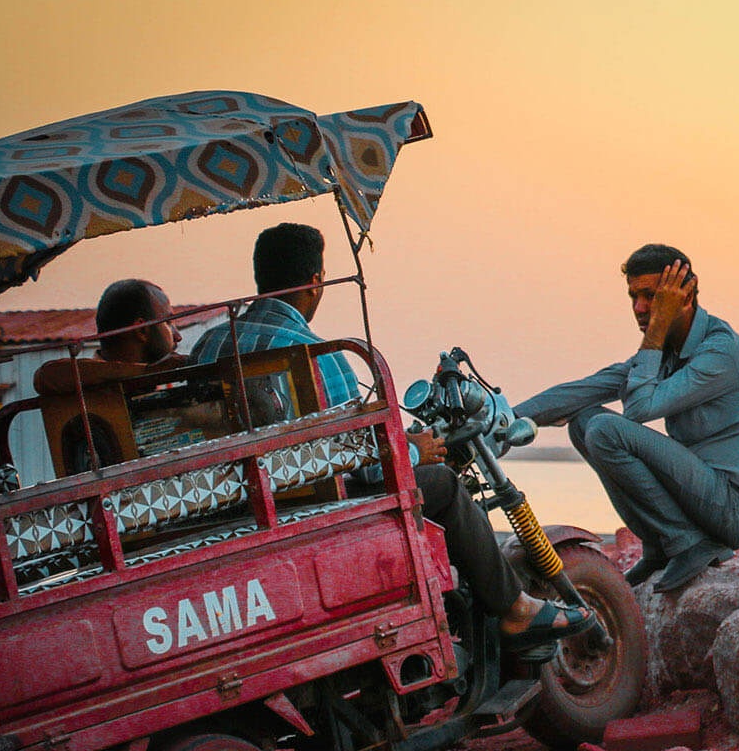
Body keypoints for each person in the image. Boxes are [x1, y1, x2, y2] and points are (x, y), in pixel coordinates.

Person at [191, 222, 587, 658]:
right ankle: (515, 610)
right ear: (316, 281)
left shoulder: (209, 346)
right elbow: (364, 463)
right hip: (312, 504)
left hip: (241, 502)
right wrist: (415, 448)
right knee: (444, 484)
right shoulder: (318, 354)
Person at [517, 244, 739, 593]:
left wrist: (655, 332)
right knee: (584, 421)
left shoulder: (720, 350)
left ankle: (686, 543)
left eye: (653, 297)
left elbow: (639, 410)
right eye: (634, 297)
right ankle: (660, 546)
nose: (640, 308)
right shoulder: (669, 352)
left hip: (733, 511)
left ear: (684, 296)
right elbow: (589, 388)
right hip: (698, 498)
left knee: (605, 429)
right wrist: (503, 418)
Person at [33, 278, 184, 394]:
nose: (178, 337)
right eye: (168, 323)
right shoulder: (82, 383)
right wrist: (147, 372)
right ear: (141, 330)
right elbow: (44, 376)